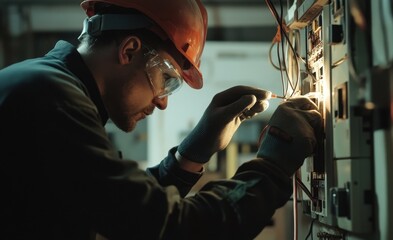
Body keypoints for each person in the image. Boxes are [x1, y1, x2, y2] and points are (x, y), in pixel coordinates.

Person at [0, 0, 322, 239]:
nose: (163, 102)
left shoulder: (46, 85)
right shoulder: (54, 102)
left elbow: (118, 208)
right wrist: (272, 168)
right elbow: (166, 228)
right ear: (129, 50)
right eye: (167, 79)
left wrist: (190, 155)